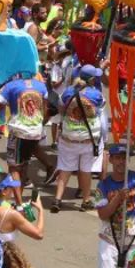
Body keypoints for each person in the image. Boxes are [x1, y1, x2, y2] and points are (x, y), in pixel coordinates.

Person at [52, 65, 102, 211]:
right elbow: (99, 113)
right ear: (92, 79)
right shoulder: (97, 95)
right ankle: (86, 200)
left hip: (69, 136)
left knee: (65, 169)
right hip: (88, 138)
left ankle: (57, 199)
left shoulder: (68, 92)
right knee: (86, 170)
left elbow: (61, 109)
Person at [0, 172, 45, 245]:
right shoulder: (11, 214)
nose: (13, 190)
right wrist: (40, 210)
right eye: (11, 187)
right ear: (3, 192)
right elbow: (39, 234)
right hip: (5, 255)